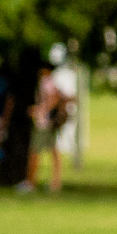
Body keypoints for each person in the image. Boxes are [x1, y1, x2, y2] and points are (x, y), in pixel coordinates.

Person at [20, 65, 70, 194]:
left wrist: (40, 110)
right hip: (48, 122)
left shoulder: (46, 82)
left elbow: (55, 97)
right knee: (53, 150)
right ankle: (55, 181)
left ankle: (31, 182)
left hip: (43, 123)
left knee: (35, 151)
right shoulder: (52, 81)